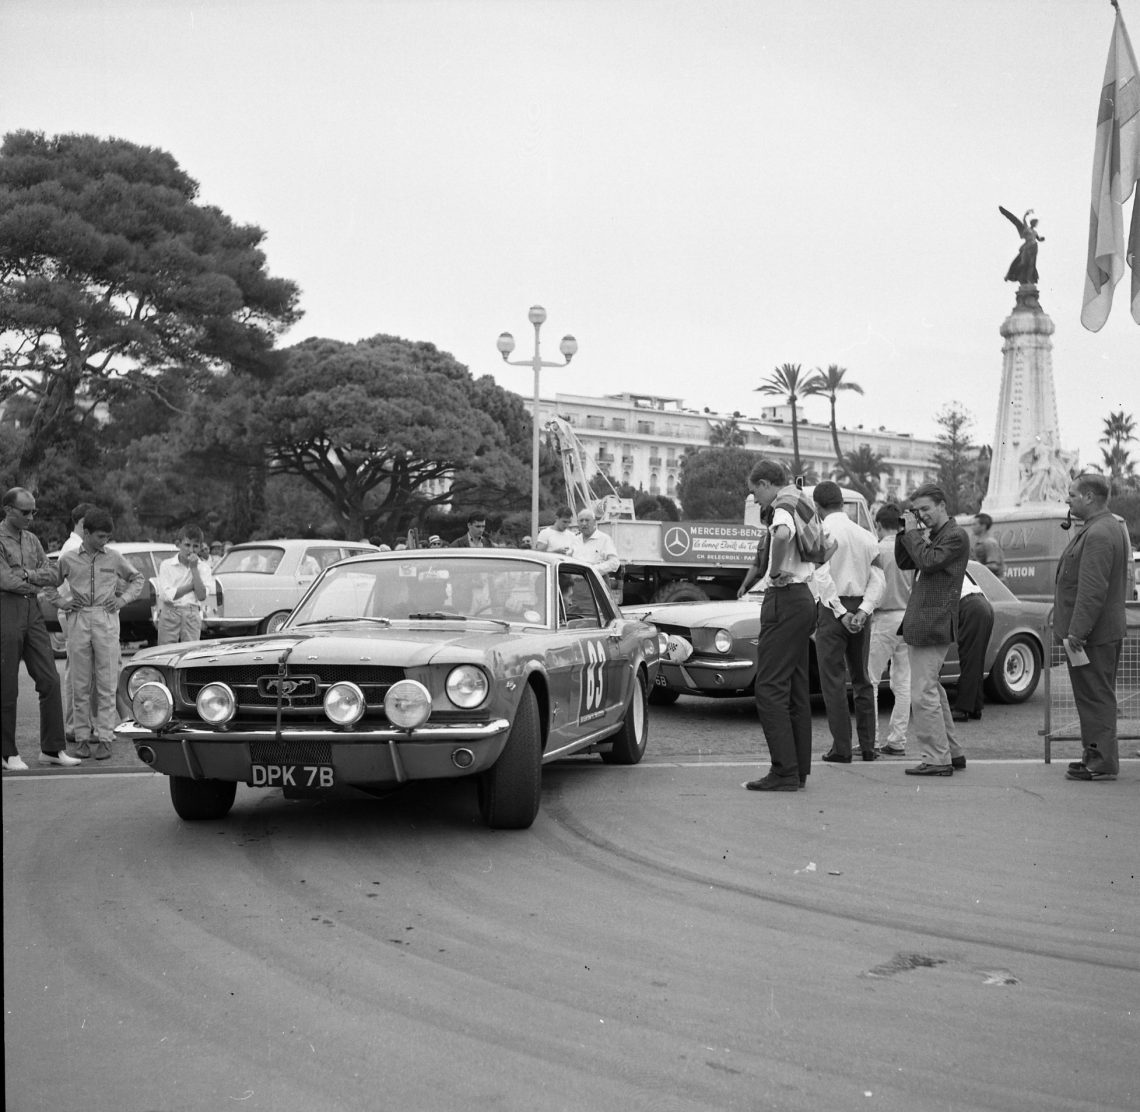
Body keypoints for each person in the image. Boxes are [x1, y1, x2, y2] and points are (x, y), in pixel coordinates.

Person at [738, 460, 819, 792]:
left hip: (784, 600)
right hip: (804, 599)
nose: (754, 498)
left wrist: (773, 571)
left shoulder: (781, 507)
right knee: (796, 689)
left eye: (754, 491)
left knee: (769, 688)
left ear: (765, 484)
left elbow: (782, 534)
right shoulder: (800, 500)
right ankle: (796, 770)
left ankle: (784, 771)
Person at [45, 508, 144, 760]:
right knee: (79, 683)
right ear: (86, 533)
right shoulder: (68, 558)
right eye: (100, 536)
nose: (104, 541)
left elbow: (137, 579)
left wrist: (122, 600)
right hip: (78, 618)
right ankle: (81, 738)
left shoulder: (114, 557)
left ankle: (105, 738)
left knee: (107, 681)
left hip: (106, 618)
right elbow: (50, 584)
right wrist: (63, 603)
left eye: (107, 537)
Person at [1054, 473, 1130, 782]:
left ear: (1089, 497)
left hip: (1092, 636)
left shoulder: (1098, 532)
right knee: (1095, 697)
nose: (1067, 499)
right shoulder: (1105, 527)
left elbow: (1092, 590)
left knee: (1094, 698)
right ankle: (1095, 755)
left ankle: (1100, 762)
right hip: (1099, 632)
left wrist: (1077, 632)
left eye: (1072, 494)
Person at [0, 487, 80, 770]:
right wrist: (34, 581)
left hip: (32, 609)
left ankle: (52, 748)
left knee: (50, 679)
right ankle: (7, 752)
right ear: (8, 510)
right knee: (7, 684)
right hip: (6, 609)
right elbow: (5, 580)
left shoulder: (32, 540)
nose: (31, 517)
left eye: (34, 511)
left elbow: (54, 574)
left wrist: (27, 575)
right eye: (25, 512)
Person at [895, 484, 971, 777]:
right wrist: (905, 531)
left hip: (933, 622)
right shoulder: (934, 535)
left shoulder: (955, 536)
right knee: (932, 691)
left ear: (942, 505)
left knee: (923, 693)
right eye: (917, 510)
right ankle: (951, 751)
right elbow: (905, 560)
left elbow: (927, 561)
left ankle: (937, 759)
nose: (922, 515)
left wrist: (913, 533)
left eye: (926, 509)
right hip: (926, 622)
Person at [811, 482, 885, 763]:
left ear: (817, 506)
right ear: (842, 503)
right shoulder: (867, 536)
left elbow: (821, 576)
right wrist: (863, 610)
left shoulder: (822, 533)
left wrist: (841, 612)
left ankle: (841, 748)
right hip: (861, 607)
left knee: (833, 681)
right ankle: (868, 746)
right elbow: (878, 579)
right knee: (862, 679)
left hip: (833, 610)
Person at [867, 505, 913, 757]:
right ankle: (897, 740)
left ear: (879, 525)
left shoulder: (878, 549)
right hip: (908, 616)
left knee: (871, 679)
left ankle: (871, 739)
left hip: (883, 617)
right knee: (903, 682)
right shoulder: (910, 549)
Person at [58, 500, 95, 749]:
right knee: (77, 673)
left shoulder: (74, 545)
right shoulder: (73, 547)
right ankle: (74, 726)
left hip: (77, 612)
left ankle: (78, 724)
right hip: (76, 612)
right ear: (82, 522)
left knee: (81, 672)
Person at [156, 524, 214, 644]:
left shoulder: (204, 568)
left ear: (200, 547)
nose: (191, 550)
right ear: (178, 544)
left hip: (191, 612)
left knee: (190, 651)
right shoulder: (166, 565)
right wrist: (192, 586)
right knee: (166, 650)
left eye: (195, 546)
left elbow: (202, 595)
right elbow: (166, 595)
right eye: (187, 545)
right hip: (170, 612)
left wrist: (194, 568)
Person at [951, 580, 994, 723]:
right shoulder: (956, 567)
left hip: (970, 607)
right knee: (976, 659)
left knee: (969, 659)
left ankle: (962, 709)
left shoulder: (930, 568)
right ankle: (975, 706)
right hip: (982, 604)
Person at [999, 205, 1044, 284]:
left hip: (1034, 248)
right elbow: (1022, 220)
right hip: (1027, 247)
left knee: (1031, 265)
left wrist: (1041, 239)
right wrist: (1026, 214)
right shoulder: (1027, 229)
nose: (1036, 224)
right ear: (1032, 223)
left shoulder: (1035, 232)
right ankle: (1012, 274)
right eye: (1035, 222)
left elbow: (1038, 238)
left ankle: (1029, 278)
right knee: (1021, 262)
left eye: (1036, 223)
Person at [571, 510, 620, 576]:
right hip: (575, 579)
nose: (584, 523)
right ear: (578, 523)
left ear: (594, 522)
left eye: (587, 520)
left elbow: (614, 563)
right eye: (581, 520)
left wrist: (592, 569)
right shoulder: (574, 540)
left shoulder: (604, 539)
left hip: (596, 578)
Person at [971, 513, 1005, 578]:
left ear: (983, 526)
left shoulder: (990, 543)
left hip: (994, 582)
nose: (972, 527)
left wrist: (975, 568)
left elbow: (994, 566)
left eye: (974, 524)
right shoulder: (979, 543)